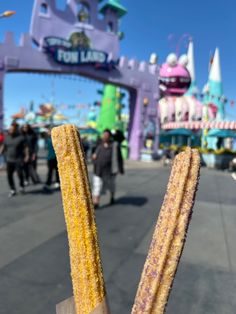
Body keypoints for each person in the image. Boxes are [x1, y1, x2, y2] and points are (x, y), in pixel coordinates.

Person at [92, 129, 124, 209]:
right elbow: (93, 153)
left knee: (111, 185)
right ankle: (96, 202)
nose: (105, 136)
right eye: (104, 135)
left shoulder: (114, 145)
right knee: (97, 186)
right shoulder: (98, 144)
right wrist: (93, 156)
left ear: (110, 136)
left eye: (107, 135)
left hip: (110, 171)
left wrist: (120, 169)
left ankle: (112, 197)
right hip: (98, 170)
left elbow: (119, 158)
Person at [1, 123, 29, 197]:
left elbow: (26, 147)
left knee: (20, 174)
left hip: (18, 159)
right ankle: (12, 189)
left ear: (16, 130)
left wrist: (27, 156)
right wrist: (0, 152)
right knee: (9, 175)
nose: (10, 130)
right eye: (10, 129)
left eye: (12, 129)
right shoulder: (7, 137)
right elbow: (3, 146)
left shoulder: (21, 137)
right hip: (9, 160)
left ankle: (21, 186)